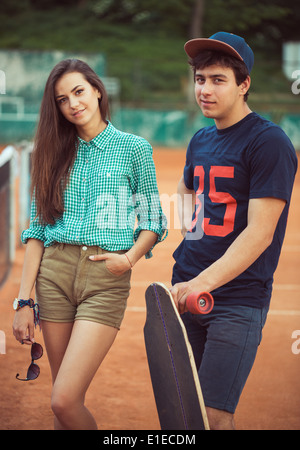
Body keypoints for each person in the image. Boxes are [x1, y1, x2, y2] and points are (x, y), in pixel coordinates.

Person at [12, 59, 167, 430]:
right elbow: (37, 229)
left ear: (97, 90)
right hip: (54, 275)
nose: (73, 104)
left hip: (105, 278)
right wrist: (23, 300)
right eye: (62, 100)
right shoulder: (49, 152)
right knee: (62, 404)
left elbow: (154, 221)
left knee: (64, 399)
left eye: (79, 92)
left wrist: (128, 259)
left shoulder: (133, 149)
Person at [170, 32, 298, 430]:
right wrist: (188, 241)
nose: (205, 89)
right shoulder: (201, 139)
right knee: (184, 411)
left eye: (218, 80)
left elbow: (260, 234)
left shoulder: (269, 142)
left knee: (213, 416)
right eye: (200, 79)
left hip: (236, 301)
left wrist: (201, 282)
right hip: (188, 288)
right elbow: (186, 190)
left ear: (244, 85)